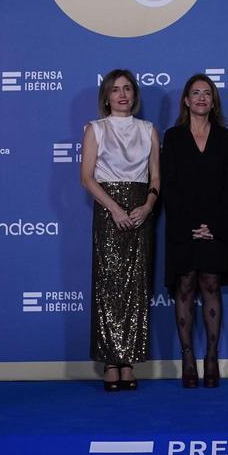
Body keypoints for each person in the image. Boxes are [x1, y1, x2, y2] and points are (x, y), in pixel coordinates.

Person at [81, 69, 160, 392]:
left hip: (142, 210)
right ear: (107, 96)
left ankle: (128, 361)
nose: (122, 95)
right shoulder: (95, 129)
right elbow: (87, 176)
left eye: (127, 88)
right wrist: (113, 207)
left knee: (136, 286)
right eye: (115, 90)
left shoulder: (149, 130)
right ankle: (110, 362)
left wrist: (148, 206)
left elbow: (155, 178)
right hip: (108, 210)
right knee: (108, 284)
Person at [162, 74, 228, 389]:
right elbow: (168, 186)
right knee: (184, 286)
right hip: (183, 226)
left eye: (207, 93)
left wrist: (215, 227)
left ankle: (211, 358)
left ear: (213, 100)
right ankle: (188, 358)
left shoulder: (225, 137)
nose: (202, 98)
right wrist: (189, 228)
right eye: (196, 93)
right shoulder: (174, 136)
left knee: (210, 285)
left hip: (215, 227)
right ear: (186, 100)